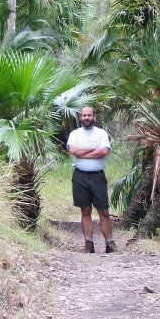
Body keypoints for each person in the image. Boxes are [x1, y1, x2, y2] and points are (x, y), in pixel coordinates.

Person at [66, 105, 116, 253]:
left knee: (104, 211)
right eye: (84, 115)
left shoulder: (101, 133)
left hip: (98, 177)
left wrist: (82, 152)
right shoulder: (75, 134)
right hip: (80, 176)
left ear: (94, 117)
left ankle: (110, 243)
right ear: (80, 117)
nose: (87, 118)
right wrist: (92, 149)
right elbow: (73, 150)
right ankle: (89, 244)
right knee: (85, 210)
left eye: (89, 115)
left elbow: (104, 151)